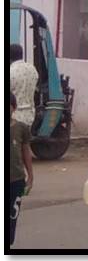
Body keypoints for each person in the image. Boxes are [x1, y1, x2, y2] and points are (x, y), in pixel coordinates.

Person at [8, 91, 33, 249]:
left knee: (11, 219)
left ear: (14, 108)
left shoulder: (21, 128)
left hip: (16, 180)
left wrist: (30, 176)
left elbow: (26, 151)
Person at [8, 45, 38, 130]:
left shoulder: (11, 71)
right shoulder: (32, 69)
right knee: (25, 141)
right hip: (29, 117)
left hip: (14, 117)